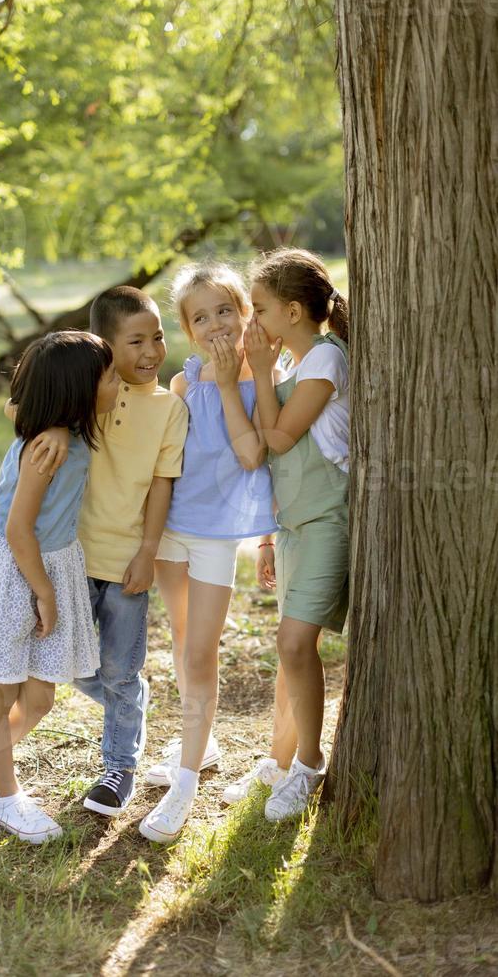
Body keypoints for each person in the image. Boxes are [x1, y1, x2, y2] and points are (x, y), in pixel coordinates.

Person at [0, 331, 120, 843]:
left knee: (39, 699)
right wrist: (44, 592)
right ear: (77, 391)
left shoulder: (65, 434)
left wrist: (59, 423)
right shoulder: (48, 450)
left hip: (48, 565)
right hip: (17, 572)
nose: (117, 381)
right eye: (108, 375)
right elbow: (19, 530)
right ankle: (8, 798)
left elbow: (15, 408)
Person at [26, 288, 188, 816]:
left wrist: (148, 551)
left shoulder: (168, 409)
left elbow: (162, 485)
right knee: (69, 663)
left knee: (120, 668)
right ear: (105, 347)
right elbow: (21, 403)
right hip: (70, 557)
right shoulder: (90, 394)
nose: (151, 351)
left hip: (126, 563)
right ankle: (130, 703)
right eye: (136, 340)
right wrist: (51, 421)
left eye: (158, 337)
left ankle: (119, 767)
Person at [138, 262, 278, 843]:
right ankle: (203, 742)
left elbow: (253, 458)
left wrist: (228, 385)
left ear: (246, 312)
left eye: (226, 310)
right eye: (201, 317)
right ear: (188, 330)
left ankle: (187, 783)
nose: (216, 324)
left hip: (218, 537)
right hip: (173, 529)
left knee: (201, 655)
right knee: (179, 639)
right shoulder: (183, 381)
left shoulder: (266, 377)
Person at [243, 247, 350, 821]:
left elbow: (277, 440)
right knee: (290, 651)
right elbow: (271, 462)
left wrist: (259, 372)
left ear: (290, 310)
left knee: (293, 645)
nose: (250, 321)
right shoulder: (291, 365)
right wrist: (265, 537)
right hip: (292, 526)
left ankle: (309, 766)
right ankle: (279, 760)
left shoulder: (326, 362)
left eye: (257, 308)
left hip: (328, 519)